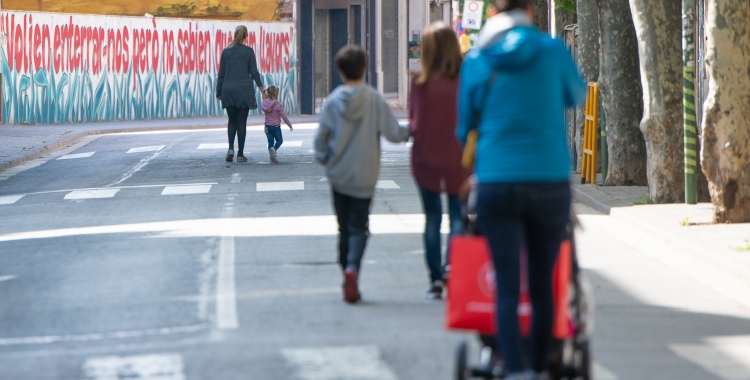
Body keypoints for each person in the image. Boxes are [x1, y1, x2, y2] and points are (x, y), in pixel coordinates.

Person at [456, 1, 586, 379]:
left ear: (494, 12)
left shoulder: (478, 61)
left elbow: (464, 129)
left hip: (497, 182)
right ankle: (541, 365)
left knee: (507, 283)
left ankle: (513, 369)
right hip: (548, 180)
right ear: (531, 9)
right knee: (544, 283)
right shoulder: (552, 51)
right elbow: (576, 94)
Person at [314, 45, 410, 304]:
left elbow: (321, 138)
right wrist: (411, 132)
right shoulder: (374, 99)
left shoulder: (333, 102)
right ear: (365, 68)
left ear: (340, 71)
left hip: (339, 174)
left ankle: (346, 269)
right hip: (365, 175)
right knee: (360, 227)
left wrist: (323, 158)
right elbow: (393, 133)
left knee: (343, 227)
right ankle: (353, 268)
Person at [408, 22, 471, 300]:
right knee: (458, 217)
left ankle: (434, 279)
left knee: (431, 219)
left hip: (426, 160)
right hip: (461, 161)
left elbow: (415, 123)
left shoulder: (419, 83)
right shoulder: (466, 81)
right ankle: (452, 270)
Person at [216, 25, 264, 163]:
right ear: (245, 36)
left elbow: (222, 74)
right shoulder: (248, 52)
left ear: (234, 34)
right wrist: (261, 89)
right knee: (241, 122)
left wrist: (219, 92)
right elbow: (254, 73)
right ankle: (240, 154)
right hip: (244, 90)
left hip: (228, 89)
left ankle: (230, 148)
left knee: (232, 120)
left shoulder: (226, 52)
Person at [262, 86, 293, 164]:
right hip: (276, 127)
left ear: (268, 93)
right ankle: (274, 149)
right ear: (276, 94)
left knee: (270, 142)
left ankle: (272, 157)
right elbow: (283, 116)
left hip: (267, 127)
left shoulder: (264, 102)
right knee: (279, 140)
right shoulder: (278, 104)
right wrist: (289, 124)